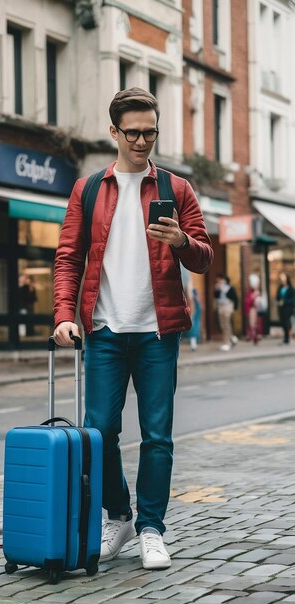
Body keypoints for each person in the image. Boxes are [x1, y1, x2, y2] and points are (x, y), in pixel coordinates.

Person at [53, 87, 213, 570]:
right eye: (134, 133)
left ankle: (151, 529)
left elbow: (204, 258)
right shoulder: (87, 190)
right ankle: (118, 515)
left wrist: (182, 240)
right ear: (114, 132)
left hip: (157, 332)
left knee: (157, 436)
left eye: (151, 132)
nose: (143, 141)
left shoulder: (176, 189)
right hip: (102, 331)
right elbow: (68, 258)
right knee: (99, 433)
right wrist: (64, 314)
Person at [214, 274, 238, 351]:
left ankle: (227, 343)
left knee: (226, 324)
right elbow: (216, 296)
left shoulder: (229, 288)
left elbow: (235, 298)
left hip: (228, 306)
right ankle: (232, 338)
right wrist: (218, 289)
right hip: (220, 306)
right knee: (222, 324)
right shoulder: (217, 287)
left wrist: (235, 308)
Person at [276, 272, 295, 345]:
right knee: (283, 323)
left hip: (288, 308)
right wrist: (279, 302)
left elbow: (292, 299)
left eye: (284, 277)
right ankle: (285, 338)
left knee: (287, 323)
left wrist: (285, 302)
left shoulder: (290, 288)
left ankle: (288, 338)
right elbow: (277, 297)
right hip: (281, 309)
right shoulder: (280, 288)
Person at [244, 273, 263, 344]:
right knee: (252, 323)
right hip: (252, 309)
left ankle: (256, 335)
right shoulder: (250, 292)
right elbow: (248, 301)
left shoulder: (257, 292)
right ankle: (252, 335)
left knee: (257, 322)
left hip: (257, 309)